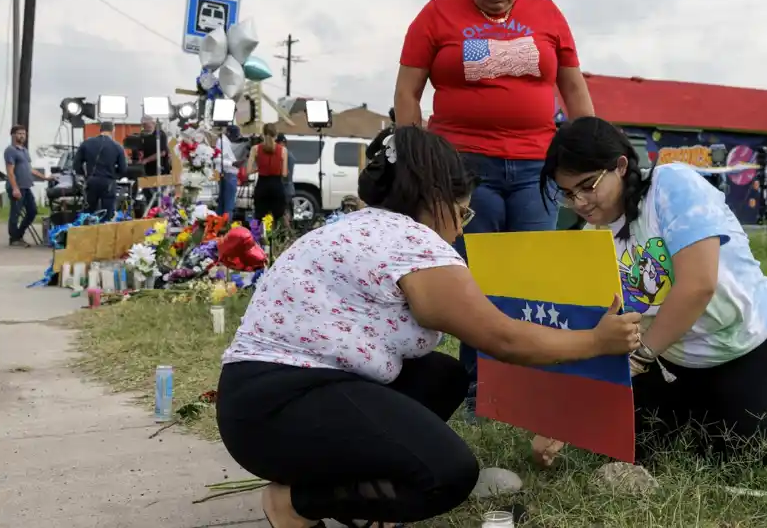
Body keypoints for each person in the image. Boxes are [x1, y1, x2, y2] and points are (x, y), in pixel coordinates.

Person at [216, 126, 642, 527]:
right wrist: (594, 341)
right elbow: (502, 338)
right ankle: (294, 503)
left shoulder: (356, 227)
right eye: (461, 213)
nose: (459, 229)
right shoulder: (411, 242)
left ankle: (360, 493)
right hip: (283, 408)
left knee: (442, 375)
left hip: (255, 406)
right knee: (448, 473)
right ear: (434, 195)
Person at [533, 117, 767, 467]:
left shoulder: (672, 184)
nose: (581, 202)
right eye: (569, 194)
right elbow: (597, 329)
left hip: (739, 342)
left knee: (741, 457)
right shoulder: (592, 234)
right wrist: (564, 419)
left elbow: (698, 285)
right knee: (627, 448)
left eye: (588, 185)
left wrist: (638, 360)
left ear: (619, 166)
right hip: (669, 357)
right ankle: (694, 409)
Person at [394, 0, 596, 411]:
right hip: (463, 172)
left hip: (536, 170)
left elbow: (574, 90)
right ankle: (479, 391)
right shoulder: (436, 14)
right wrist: (413, 160)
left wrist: (596, 152)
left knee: (532, 282)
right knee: (474, 283)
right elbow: (407, 92)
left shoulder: (548, 15)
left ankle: (529, 388)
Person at [4, 125, 49, 247]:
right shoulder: (11, 151)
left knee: (32, 211)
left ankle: (18, 234)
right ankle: (14, 239)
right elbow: (10, 171)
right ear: (13, 135)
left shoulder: (24, 150)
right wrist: (15, 188)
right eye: (19, 133)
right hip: (17, 187)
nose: (22, 136)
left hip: (26, 186)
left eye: (24, 134)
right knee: (16, 213)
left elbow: (30, 169)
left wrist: (45, 177)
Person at [74, 121, 128, 220]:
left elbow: (76, 164)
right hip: (108, 183)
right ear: (113, 131)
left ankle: (88, 233)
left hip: (91, 181)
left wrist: (84, 175)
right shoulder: (117, 146)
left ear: (100, 130)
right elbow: (123, 169)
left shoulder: (86, 143)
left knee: (88, 213)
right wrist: (114, 176)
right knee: (107, 213)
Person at [245, 124, 288, 222]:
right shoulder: (283, 150)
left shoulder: (255, 149)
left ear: (262, 135)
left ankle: (259, 236)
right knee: (278, 218)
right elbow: (284, 173)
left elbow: (248, 171)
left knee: (260, 217)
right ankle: (278, 237)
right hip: (277, 185)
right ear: (275, 135)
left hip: (262, 185)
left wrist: (258, 169)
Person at [214, 125, 241, 219]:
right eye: (235, 136)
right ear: (229, 133)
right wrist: (232, 163)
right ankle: (227, 228)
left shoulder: (225, 142)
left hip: (227, 174)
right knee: (228, 205)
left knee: (222, 204)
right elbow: (216, 159)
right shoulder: (222, 142)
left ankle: (219, 227)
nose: (236, 138)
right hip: (228, 174)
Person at [279, 134, 297, 228]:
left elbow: (287, 176)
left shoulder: (287, 156)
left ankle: (288, 234)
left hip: (285, 188)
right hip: (285, 188)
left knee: (284, 213)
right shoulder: (286, 154)